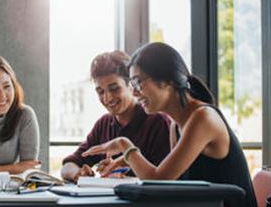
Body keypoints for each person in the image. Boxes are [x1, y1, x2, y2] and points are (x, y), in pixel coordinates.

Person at [82, 42, 257, 207]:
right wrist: (128, 161)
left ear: (166, 80)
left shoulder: (203, 118)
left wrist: (124, 146)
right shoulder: (176, 126)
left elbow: (158, 180)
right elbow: (169, 183)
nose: (134, 92)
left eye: (138, 82)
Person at [61, 50, 171, 183]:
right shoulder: (104, 124)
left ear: (131, 86)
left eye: (114, 89)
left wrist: (122, 176)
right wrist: (77, 174)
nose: (107, 98)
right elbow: (68, 165)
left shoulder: (157, 122)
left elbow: (163, 180)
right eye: (100, 92)